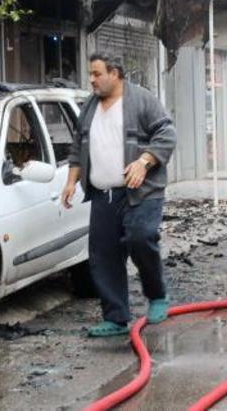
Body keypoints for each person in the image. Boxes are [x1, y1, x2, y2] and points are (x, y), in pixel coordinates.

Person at [63, 53, 177, 337]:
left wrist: (143, 162)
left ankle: (157, 295)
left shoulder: (141, 99)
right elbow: (78, 146)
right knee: (104, 255)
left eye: (97, 73)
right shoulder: (90, 106)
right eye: (91, 74)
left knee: (141, 238)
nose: (92, 80)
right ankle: (116, 317)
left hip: (142, 192)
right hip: (103, 195)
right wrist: (71, 182)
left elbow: (167, 133)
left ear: (115, 73)